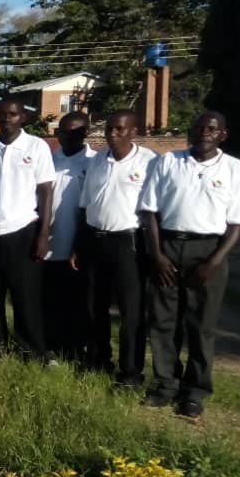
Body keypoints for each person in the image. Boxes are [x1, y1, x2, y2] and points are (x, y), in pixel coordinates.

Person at [138, 111, 240, 418]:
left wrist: (213, 262)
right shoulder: (169, 161)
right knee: (163, 322)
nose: (204, 133)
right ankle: (165, 385)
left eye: (212, 129)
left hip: (209, 250)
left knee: (201, 327)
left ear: (222, 135)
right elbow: (149, 212)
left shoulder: (234, 169)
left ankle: (195, 391)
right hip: (169, 246)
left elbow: (237, 223)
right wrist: (158, 256)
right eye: (199, 127)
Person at [71, 109, 157, 388]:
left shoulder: (149, 162)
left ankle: (130, 372)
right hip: (95, 239)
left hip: (128, 242)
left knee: (131, 311)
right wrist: (78, 244)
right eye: (109, 129)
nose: (112, 134)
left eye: (120, 129)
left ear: (134, 131)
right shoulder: (96, 161)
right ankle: (98, 358)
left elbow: (155, 210)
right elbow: (84, 206)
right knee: (94, 305)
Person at [0, 97, 55, 360]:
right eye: (1, 114)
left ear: (23, 118)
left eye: (13, 114)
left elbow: (46, 192)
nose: (6, 119)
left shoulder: (36, 147)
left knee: (25, 297)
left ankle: (31, 350)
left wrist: (43, 234)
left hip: (23, 230)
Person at [43, 112, 95, 362]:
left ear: (86, 132)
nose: (67, 137)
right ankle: (51, 346)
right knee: (51, 299)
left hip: (79, 245)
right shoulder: (49, 161)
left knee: (79, 301)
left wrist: (81, 243)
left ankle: (76, 348)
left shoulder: (95, 162)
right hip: (51, 243)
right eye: (62, 132)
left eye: (74, 132)